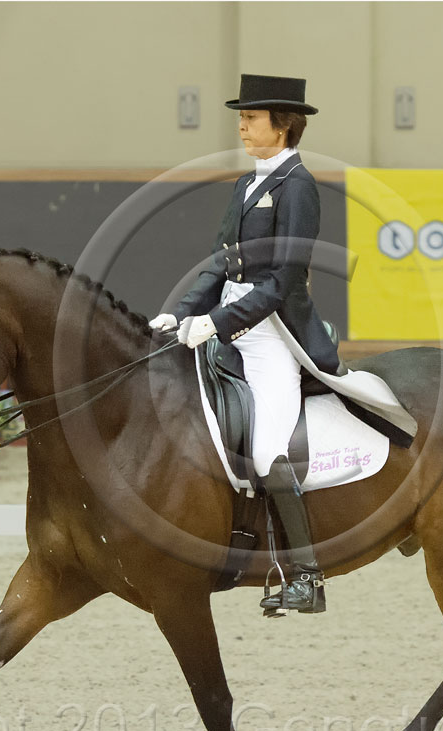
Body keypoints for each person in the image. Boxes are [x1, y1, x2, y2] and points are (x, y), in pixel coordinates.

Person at [149, 74, 333, 615]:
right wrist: (181, 313)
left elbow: (282, 281)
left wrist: (220, 323)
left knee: (267, 450)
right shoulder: (247, 184)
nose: (242, 125)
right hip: (230, 319)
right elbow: (220, 262)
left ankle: (307, 574)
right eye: (242, 117)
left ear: (283, 124)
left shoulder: (299, 187)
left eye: (251, 118)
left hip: (272, 333)